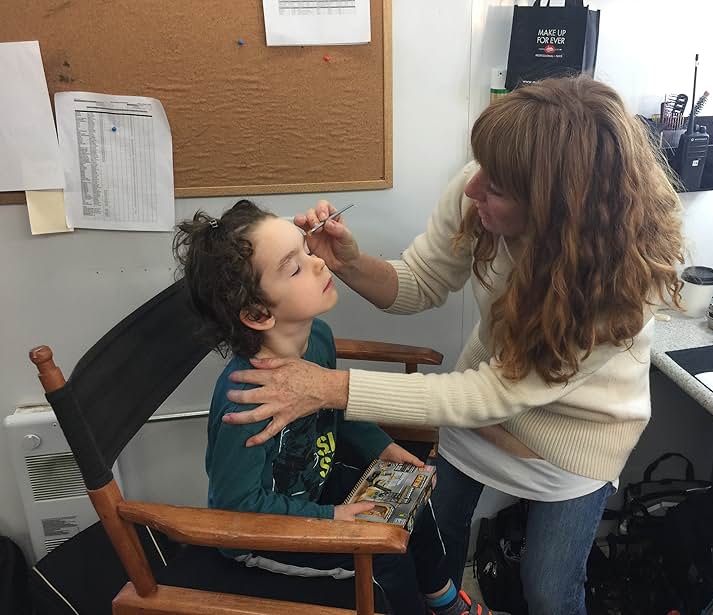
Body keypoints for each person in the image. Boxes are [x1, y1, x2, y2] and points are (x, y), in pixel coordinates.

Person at [221, 76, 685, 615]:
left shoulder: (623, 283)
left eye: (498, 189)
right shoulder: (488, 180)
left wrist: (330, 389)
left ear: (559, 210)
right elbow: (419, 282)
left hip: (574, 441)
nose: (472, 187)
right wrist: (350, 263)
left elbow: (493, 393)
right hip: (479, 419)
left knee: (549, 592)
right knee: (435, 548)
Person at [172, 200, 505, 615]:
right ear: (258, 313)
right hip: (263, 534)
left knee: (409, 503)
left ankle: (447, 603)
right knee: (384, 558)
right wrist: (331, 517)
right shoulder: (245, 395)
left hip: (317, 487)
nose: (316, 264)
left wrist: (385, 449)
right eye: (294, 267)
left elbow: (339, 411)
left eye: (307, 251)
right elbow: (236, 507)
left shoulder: (320, 339)